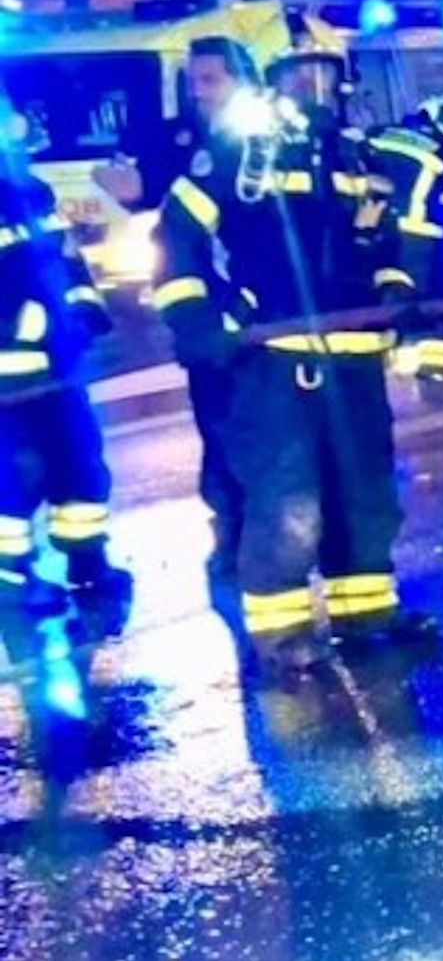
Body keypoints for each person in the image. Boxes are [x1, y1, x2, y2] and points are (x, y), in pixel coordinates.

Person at [152, 22, 417, 671]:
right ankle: (282, 637)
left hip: (354, 359)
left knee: (365, 496)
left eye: (324, 73)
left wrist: (395, 291)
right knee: (287, 502)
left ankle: (367, 618)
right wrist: (199, 320)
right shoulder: (243, 154)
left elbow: (385, 243)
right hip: (275, 363)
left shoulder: (359, 159)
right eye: (300, 74)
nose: (313, 87)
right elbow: (177, 237)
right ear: (275, 82)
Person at [131, 37, 261, 599]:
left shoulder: (263, 142)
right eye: (195, 83)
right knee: (219, 425)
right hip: (214, 327)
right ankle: (232, 530)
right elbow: (170, 230)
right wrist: (195, 323)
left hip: (267, 320)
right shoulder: (187, 144)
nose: (199, 94)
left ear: (243, 80)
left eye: (211, 81)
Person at [0, 104, 131, 651]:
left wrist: (84, 306)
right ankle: (11, 582)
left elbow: (67, 260)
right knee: (13, 478)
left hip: (59, 367)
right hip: (10, 378)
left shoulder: (32, 192)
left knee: (79, 460)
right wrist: (21, 325)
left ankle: (88, 559)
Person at [373, 95, 443, 403]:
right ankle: (436, 379)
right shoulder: (442, 154)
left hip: (376, 237)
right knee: (440, 304)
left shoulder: (381, 135)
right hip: (419, 241)